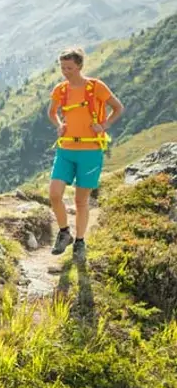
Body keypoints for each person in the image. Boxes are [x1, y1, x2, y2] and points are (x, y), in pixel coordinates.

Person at [47, 47, 124, 262]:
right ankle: (64, 233)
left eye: (69, 68)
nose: (65, 72)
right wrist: (59, 124)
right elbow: (51, 112)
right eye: (63, 67)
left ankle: (80, 241)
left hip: (90, 151)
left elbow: (118, 108)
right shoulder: (60, 90)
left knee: (81, 200)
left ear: (80, 66)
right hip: (66, 149)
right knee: (54, 194)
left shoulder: (96, 87)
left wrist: (105, 125)